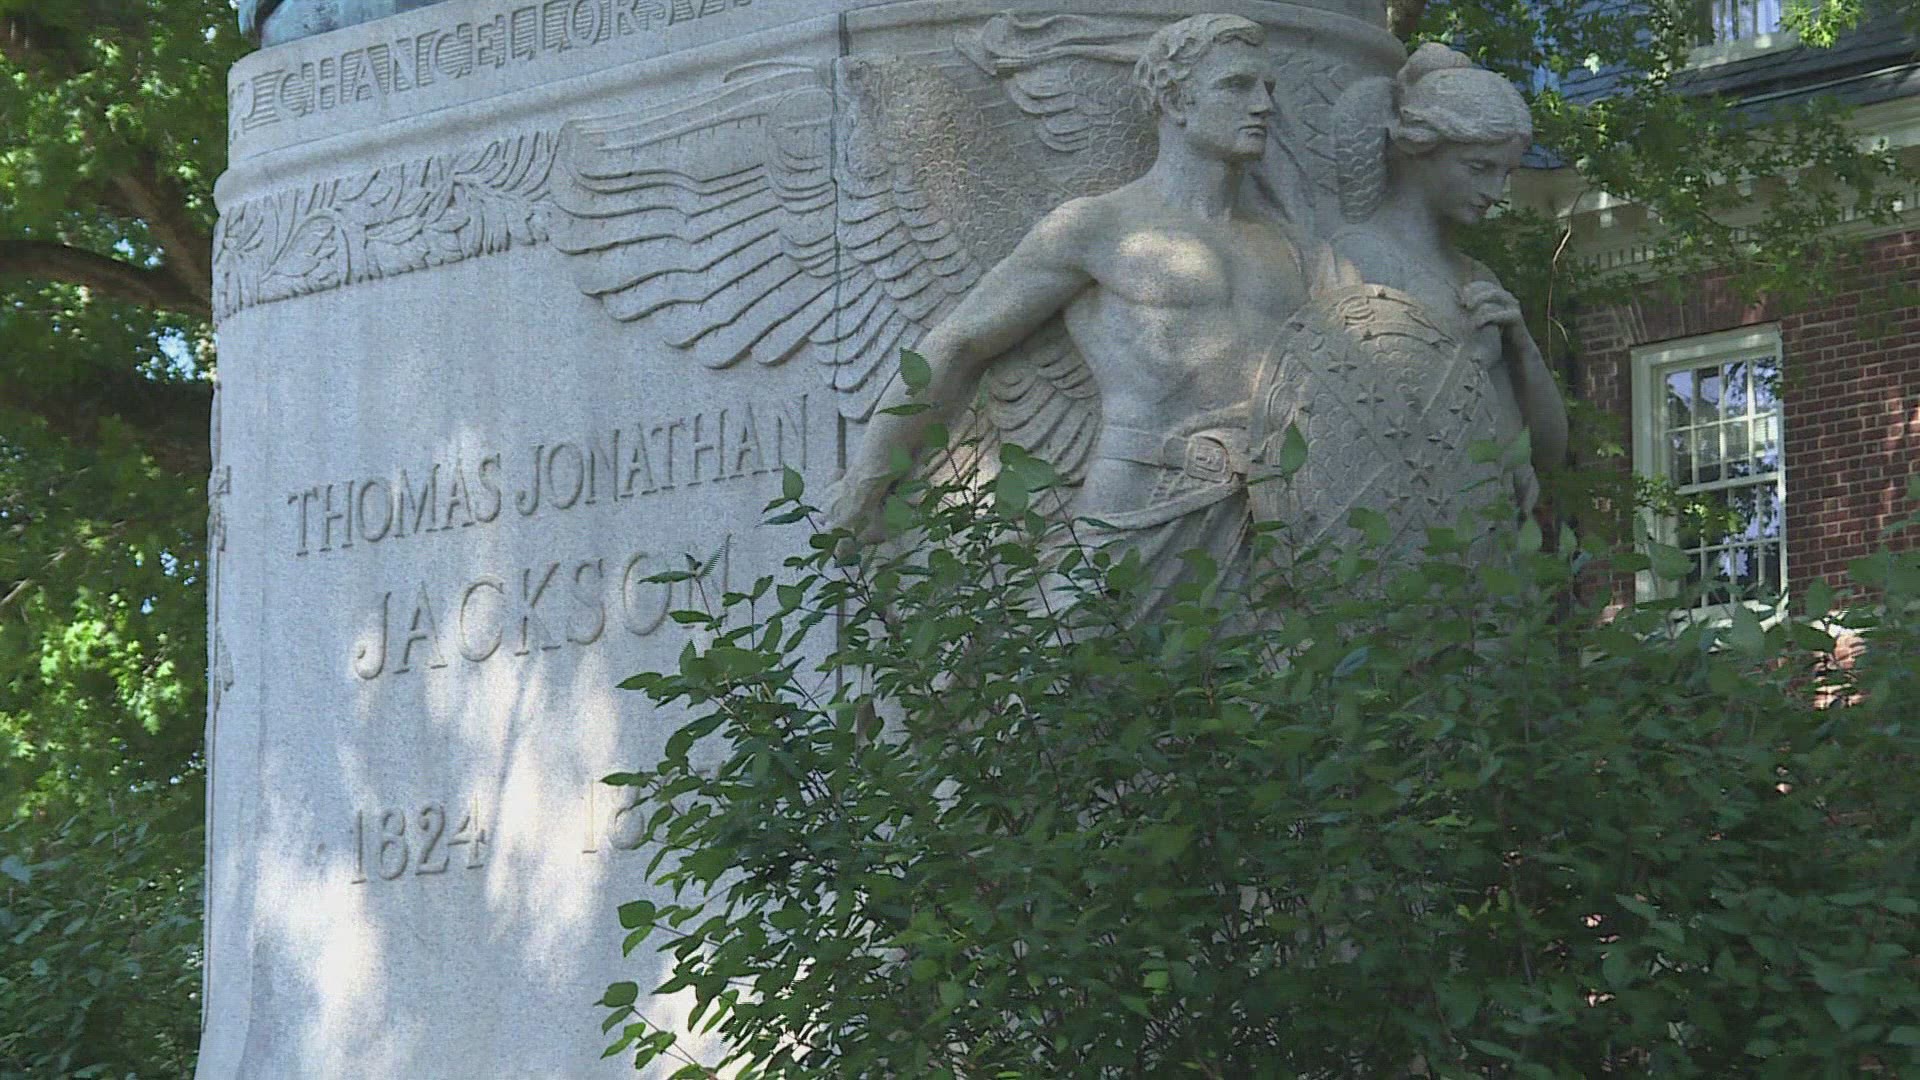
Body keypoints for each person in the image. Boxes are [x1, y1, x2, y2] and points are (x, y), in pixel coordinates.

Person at [822, 13, 1322, 623]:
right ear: (1175, 101)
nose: (1264, 105)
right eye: (1237, 86)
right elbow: (959, 343)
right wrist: (867, 481)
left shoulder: (1288, 248)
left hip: (1271, 519)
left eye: (1268, 88)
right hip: (1141, 503)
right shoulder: (1099, 227)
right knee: (1066, 668)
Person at [1325, 43, 1568, 505]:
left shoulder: (1478, 275)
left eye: (1505, 173)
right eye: (1479, 168)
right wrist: (1466, 364)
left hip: (1488, 519)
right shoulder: (1361, 258)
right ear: (1420, 148)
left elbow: (1549, 450)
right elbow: (1363, 423)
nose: (1495, 191)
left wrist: (1523, 348)